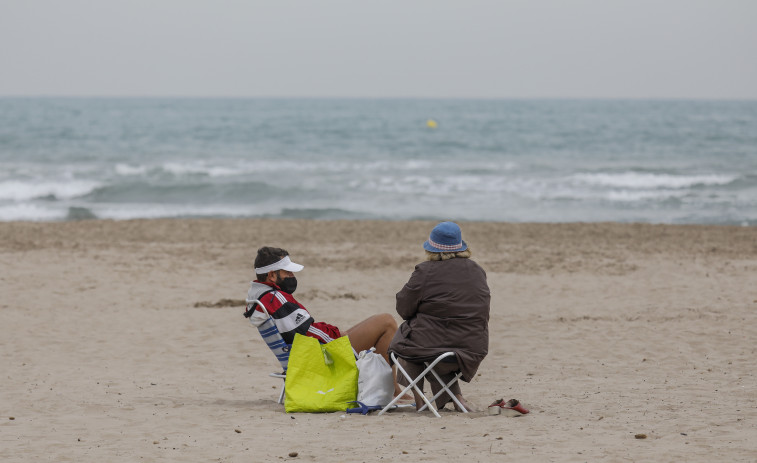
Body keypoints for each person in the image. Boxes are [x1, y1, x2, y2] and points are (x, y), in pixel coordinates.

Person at [388, 221, 490, 412]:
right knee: (437, 337)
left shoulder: (425, 272)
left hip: (436, 349)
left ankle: (421, 401)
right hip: (472, 348)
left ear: (432, 249)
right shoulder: (477, 270)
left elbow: (404, 308)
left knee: (406, 341)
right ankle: (455, 397)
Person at [244, 246, 399, 365]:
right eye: (288, 273)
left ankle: (390, 390)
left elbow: (301, 331)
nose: (292, 276)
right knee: (386, 321)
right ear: (272, 275)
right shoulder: (277, 300)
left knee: (365, 327)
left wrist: (338, 332)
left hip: (303, 355)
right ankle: (391, 392)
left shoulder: (260, 297)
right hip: (321, 358)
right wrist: (338, 337)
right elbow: (307, 334)